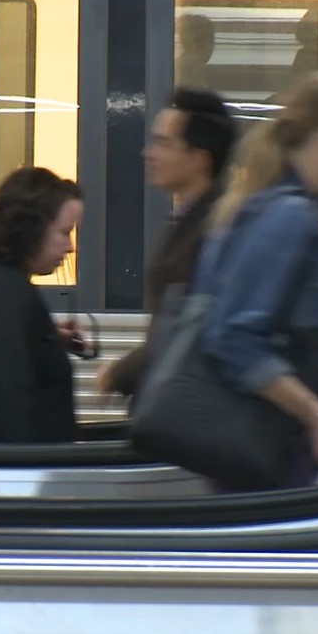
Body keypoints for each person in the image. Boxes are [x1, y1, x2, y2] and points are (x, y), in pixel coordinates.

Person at [196, 71, 318, 485]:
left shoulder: (266, 208)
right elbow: (235, 338)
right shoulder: (289, 216)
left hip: (264, 446)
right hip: (274, 448)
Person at [95, 87, 239, 404]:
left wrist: (121, 372)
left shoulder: (214, 229)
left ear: (199, 159)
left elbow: (186, 331)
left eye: (164, 143)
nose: (148, 153)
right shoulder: (192, 220)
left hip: (190, 410)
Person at [0, 167, 83, 444]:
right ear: (32, 228)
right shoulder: (3, 291)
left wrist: (45, 341)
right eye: (64, 232)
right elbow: (9, 398)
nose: (70, 247)